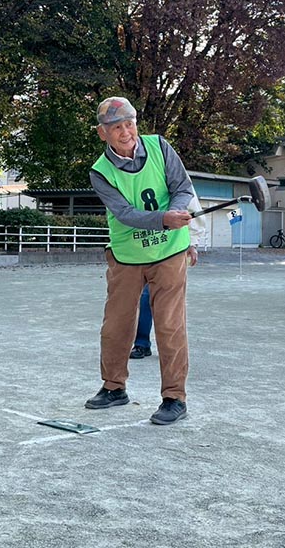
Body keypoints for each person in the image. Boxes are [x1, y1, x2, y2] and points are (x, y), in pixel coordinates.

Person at [86, 96, 196, 425]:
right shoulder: (100, 172)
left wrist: (176, 210)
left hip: (169, 252)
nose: (125, 132)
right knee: (116, 326)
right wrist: (164, 217)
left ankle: (174, 397)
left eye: (129, 124)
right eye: (116, 127)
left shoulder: (160, 147)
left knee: (169, 325)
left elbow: (182, 187)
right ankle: (114, 387)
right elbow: (126, 213)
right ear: (102, 133)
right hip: (127, 255)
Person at [130, 194, 205, 359]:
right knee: (143, 298)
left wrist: (192, 243)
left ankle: (170, 349)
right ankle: (142, 343)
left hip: (172, 248)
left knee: (169, 302)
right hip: (143, 247)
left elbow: (194, 209)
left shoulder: (176, 175)